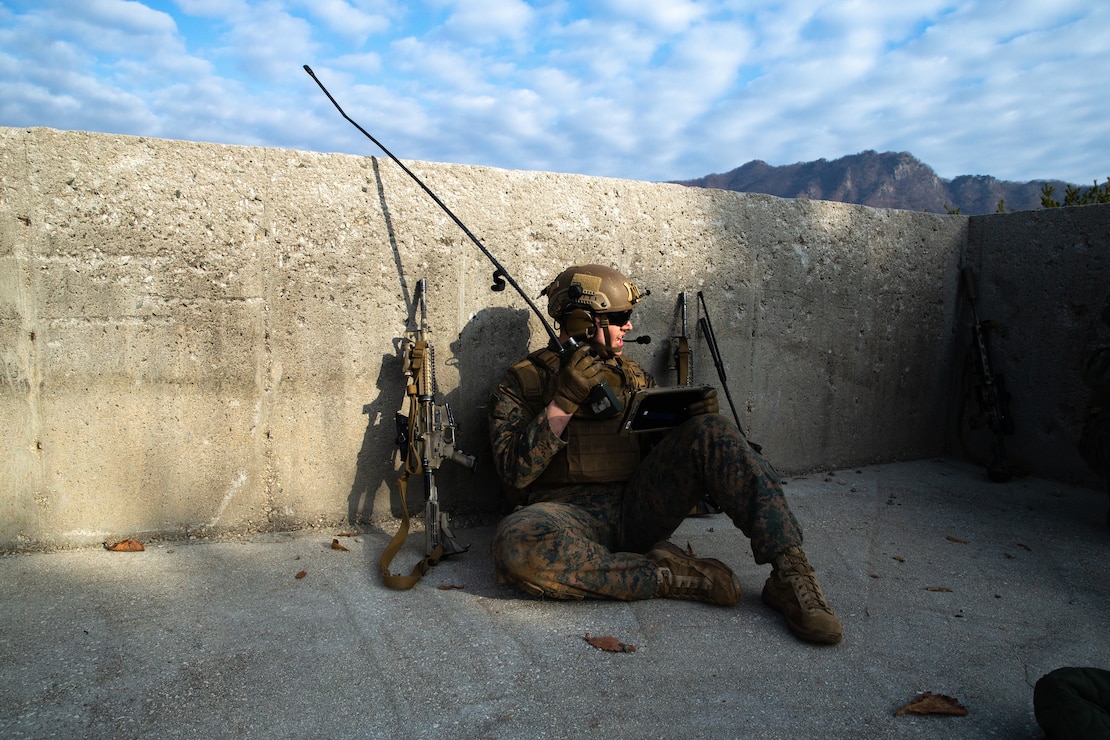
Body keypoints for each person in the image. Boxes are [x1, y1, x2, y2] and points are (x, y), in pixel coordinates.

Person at [486, 263, 843, 645]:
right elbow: (513, 474)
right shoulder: (523, 382)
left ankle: (790, 572)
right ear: (580, 321)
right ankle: (665, 575)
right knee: (516, 544)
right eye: (619, 317)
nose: (628, 326)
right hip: (565, 515)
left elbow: (659, 456)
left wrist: (692, 425)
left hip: (637, 508)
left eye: (628, 317)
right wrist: (563, 402)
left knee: (713, 431)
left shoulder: (635, 377)